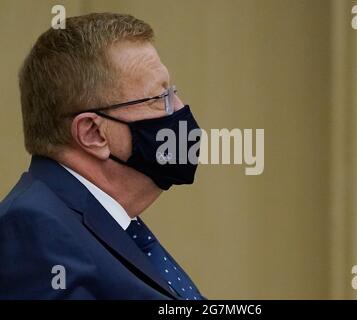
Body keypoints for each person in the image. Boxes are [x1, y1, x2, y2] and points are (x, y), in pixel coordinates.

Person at [0, 13, 204, 300]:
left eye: (172, 93)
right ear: (93, 133)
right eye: (159, 99)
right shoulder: (33, 233)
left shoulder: (109, 226)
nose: (180, 109)